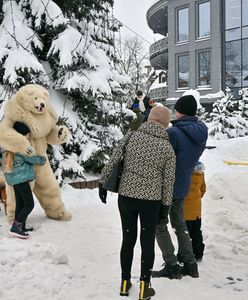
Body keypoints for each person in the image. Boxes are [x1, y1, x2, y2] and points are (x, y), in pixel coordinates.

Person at [98, 106, 176, 300]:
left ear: (149, 118)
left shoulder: (131, 136)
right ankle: (144, 286)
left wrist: (102, 183)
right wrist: (165, 207)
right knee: (147, 242)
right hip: (151, 201)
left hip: (127, 198)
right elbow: (169, 181)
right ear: (166, 124)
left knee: (128, 239)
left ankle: (125, 282)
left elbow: (114, 159)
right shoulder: (167, 148)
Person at [152, 95, 208, 279]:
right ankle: (190, 264)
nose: (174, 112)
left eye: (176, 109)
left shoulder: (174, 134)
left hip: (168, 185)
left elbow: (160, 157)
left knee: (159, 224)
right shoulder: (201, 133)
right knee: (179, 224)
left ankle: (171, 265)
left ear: (181, 112)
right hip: (183, 183)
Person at [2, 121, 46, 239]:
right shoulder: (20, 145)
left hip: (14, 178)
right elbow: (30, 158)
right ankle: (16, 227)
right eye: (26, 134)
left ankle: (21, 226)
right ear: (21, 135)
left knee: (21, 204)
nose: (28, 136)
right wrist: (43, 160)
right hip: (20, 178)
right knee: (29, 204)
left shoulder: (9, 143)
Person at [181, 161, 206, 262]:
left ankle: (184, 255)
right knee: (197, 232)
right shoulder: (201, 174)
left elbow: (181, 191)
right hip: (197, 212)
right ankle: (198, 253)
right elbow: (203, 188)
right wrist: (197, 197)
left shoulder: (187, 176)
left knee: (185, 234)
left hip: (186, 212)